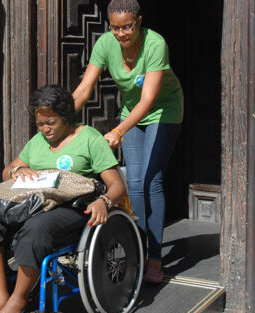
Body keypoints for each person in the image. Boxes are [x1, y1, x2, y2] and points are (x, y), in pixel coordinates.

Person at [0, 85, 126, 313]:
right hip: (32, 203)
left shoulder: (89, 138)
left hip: (70, 207)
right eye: (40, 124)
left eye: (51, 123)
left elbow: (118, 186)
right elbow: (6, 172)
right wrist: (18, 170)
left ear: (65, 116)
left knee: (37, 229)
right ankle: (1, 297)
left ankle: (20, 298)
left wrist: (104, 202)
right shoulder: (38, 141)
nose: (45, 130)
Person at [71, 0, 182, 284]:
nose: (121, 33)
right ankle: (136, 253)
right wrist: (59, 120)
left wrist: (118, 132)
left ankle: (154, 260)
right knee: (132, 183)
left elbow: (149, 99)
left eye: (128, 27)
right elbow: (84, 89)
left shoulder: (155, 44)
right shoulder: (106, 43)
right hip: (131, 113)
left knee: (150, 180)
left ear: (139, 22)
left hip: (163, 110)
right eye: (115, 28)